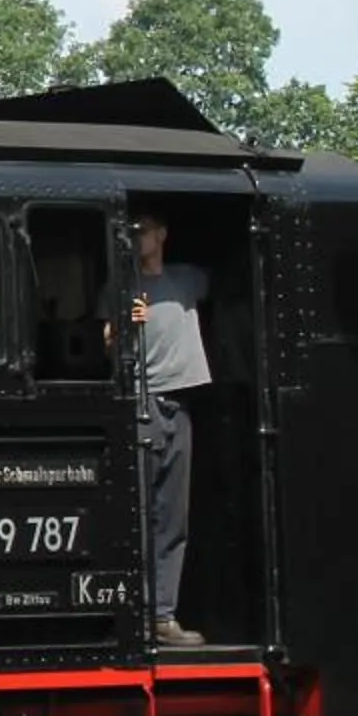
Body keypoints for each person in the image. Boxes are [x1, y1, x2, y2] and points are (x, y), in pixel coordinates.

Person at [122, 213, 211, 649]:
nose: (139, 239)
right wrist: (125, 323)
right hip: (145, 400)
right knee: (141, 511)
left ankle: (163, 614)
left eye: (144, 231)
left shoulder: (188, 279)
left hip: (183, 400)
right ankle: (138, 612)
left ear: (162, 234)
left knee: (173, 515)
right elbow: (106, 341)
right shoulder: (121, 288)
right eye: (133, 232)